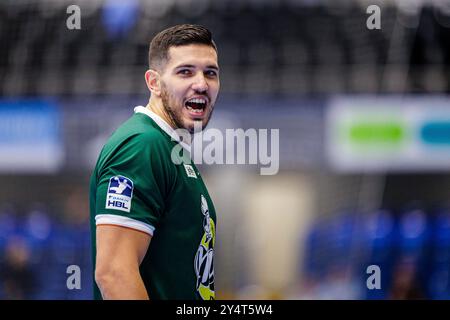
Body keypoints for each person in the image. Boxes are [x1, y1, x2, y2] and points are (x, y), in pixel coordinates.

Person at [89, 24, 220, 300]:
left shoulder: (170, 149)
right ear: (154, 82)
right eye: (185, 71)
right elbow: (114, 274)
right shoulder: (141, 146)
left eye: (210, 73)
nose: (201, 83)